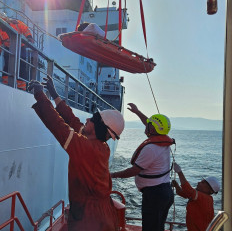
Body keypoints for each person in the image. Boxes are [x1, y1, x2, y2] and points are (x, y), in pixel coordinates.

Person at [28, 75, 125, 231]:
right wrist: (53, 94)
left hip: (91, 219)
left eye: (92, 119)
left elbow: (58, 125)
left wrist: (40, 94)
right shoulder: (99, 145)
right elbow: (72, 121)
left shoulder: (87, 148)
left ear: (99, 128)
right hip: (99, 213)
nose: (87, 120)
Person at [111, 103, 175, 231]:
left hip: (155, 195)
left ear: (152, 129)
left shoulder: (151, 148)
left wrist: (112, 175)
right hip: (163, 192)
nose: (146, 125)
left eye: (149, 125)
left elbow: (134, 170)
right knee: (157, 227)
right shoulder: (161, 140)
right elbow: (150, 124)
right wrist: (137, 111)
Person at [171, 162, 220, 231]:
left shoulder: (205, 198)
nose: (198, 183)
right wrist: (177, 186)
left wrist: (179, 172)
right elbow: (185, 194)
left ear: (210, 190)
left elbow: (189, 190)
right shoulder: (201, 196)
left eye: (203, 183)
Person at [0, 14, 33, 90]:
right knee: (7, 66)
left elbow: (25, 29)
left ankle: (21, 87)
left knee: (21, 66)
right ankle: (6, 84)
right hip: (8, 48)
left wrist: (29, 37)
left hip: (21, 47)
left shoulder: (16, 23)